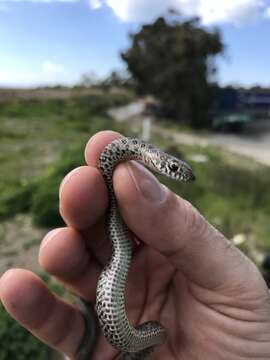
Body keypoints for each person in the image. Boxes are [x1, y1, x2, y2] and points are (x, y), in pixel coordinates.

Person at [1, 130, 270, 360]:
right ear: (155, 161)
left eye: (174, 170)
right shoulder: (120, 154)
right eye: (174, 170)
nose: (175, 173)